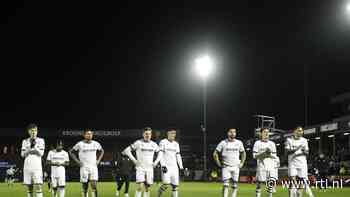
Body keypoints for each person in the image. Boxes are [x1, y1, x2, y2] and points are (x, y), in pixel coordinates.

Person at [123, 127, 162, 197]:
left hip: (149, 168)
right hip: (140, 168)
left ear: (151, 135)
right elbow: (126, 150)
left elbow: (160, 153)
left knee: (147, 188)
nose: (147, 135)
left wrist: (156, 162)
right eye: (146, 134)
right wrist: (134, 160)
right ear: (143, 134)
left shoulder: (154, 144)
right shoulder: (138, 143)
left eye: (149, 134)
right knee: (140, 186)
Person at [69, 129, 104, 197]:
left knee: (94, 185)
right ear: (84, 135)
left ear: (92, 135)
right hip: (84, 167)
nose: (89, 135)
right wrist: (77, 161)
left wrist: (98, 160)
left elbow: (102, 151)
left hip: (93, 167)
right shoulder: (80, 144)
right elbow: (71, 152)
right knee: (85, 186)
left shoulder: (96, 143)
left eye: (90, 134)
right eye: (87, 134)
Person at [213, 128, 246, 197]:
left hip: (236, 166)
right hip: (226, 166)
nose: (233, 133)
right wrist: (218, 163)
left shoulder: (239, 142)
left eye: (234, 132)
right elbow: (215, 153)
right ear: (228, 133)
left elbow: (243, 153)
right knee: (225, 185)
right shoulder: (223, 142)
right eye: (231, 132)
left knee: (235, 185)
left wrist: (242, 163)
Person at [285, 126, 314, 197]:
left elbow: (307, 152)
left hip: (302, 163)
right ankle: (294, 192)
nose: (301, 132)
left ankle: (298, 192)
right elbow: (287, 152)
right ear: (294, 131)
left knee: (302, 180)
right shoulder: (288, 140)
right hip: (292, 163)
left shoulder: (304, 140)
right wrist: (298, 149)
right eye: (299, 130)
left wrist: (300, 152)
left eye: (301, 131)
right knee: (292, 179)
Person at [157, 128, 184, 197]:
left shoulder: (176, 144)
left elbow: (178, 156)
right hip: (166, 166)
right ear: (168, 133)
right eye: (171, 133)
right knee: (166, 184)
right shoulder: (163, 142)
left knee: (175, 186)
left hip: (174, 167)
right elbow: (160, 155)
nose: (173, 135)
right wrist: (162, 165)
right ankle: (158, 194)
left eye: (174, 133)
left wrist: (181, 167)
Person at [21, 123, 45, 197]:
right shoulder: (25, 141)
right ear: (29, 131)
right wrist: (29, 149)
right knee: (29, 188)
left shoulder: (41, 140)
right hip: (27, 167)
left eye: (35, 130)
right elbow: (22, 154)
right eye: (32, 130)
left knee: (38, 187)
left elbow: (41, 153)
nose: (34, 132)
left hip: (37, 167)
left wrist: (34, 147)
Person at [252, 128, 278, 197]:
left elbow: (275, 156)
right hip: (261, 165)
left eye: (267, 132)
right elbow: (254, 156)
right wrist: (264, 153)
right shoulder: (257, 143)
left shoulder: (272, 144)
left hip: (271, 166)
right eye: (264, 132)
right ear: (261, 134)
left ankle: (270, 195)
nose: (266, 134)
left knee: (270, 184)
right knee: (259, 183)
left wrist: (269, 154)